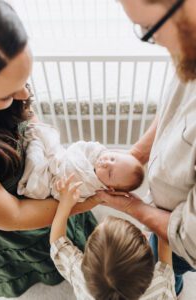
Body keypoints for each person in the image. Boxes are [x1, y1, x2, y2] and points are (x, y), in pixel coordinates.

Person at [0, 1, 98, 297]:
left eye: (25, 80)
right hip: (22, 221)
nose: (25, 94)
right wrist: (80, 202)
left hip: (51, 189)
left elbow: (28, 117)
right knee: (50, 248)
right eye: (6, 95)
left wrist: (51, 152)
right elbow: (13, 215)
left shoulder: (12, 88)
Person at [96, 0, 196, 296]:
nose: (157, 41)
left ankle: (172, 286)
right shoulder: (188, 50)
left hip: (178, 240)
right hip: (161, 216)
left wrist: (131, 207)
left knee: (167, 267)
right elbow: (173, 110)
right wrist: (135, 155)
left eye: (148, 29)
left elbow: (188, 238)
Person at [50, 175, 177, 300]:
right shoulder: (161, 286)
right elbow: (165, 243)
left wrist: (64, 205)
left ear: (85, 262)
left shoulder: (79, 273)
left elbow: (57, 242)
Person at [17, 122, 144, 201]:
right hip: (59, 157)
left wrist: (60, 188)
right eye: (112, 158)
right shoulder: (96, 151)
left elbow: (66, 195)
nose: (106, 164)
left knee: (36, 169)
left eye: (110, 173)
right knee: (46, 135)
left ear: (110, 188)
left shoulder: (90, 187)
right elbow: (78, 147)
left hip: (50, 178)